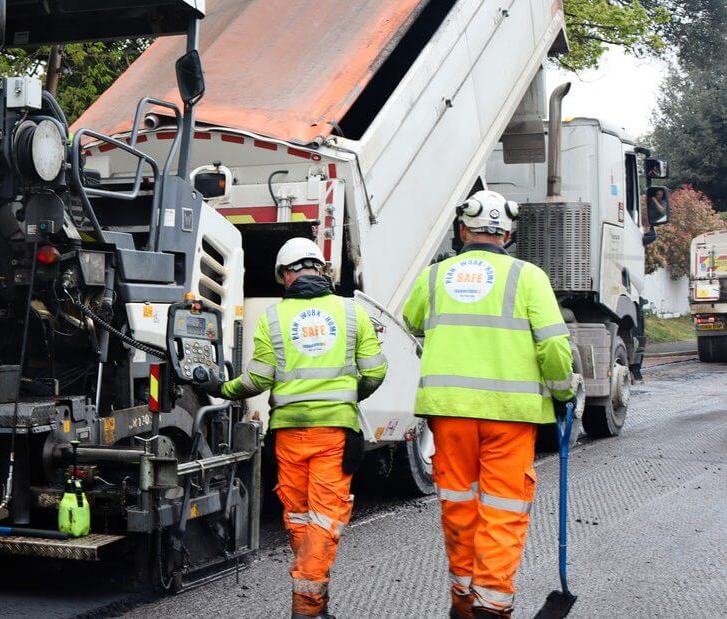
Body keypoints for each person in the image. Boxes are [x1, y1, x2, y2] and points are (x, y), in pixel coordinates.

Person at [402, 190, 575, 619]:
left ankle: (462, 602)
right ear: (509, 233)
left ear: (463, 230)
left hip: (450, 414)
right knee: (503, 510)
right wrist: (563, 391)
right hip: (510, 419)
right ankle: (492, 608)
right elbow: (553, 345)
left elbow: (411, 320)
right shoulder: (528, 277)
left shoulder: (434, 276)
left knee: (459, 507)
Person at [197, 237, 388, 619]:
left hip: (288, 436)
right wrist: (349, 397)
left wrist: (220, 387)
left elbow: (256, 381)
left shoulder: (273, 319)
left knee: (300, 518)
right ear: (323, 270)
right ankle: (307, 608)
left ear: (285, 276)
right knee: (323, 518)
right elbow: (376, 371)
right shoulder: (352, 314)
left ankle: (314, 604)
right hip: (335, 435)